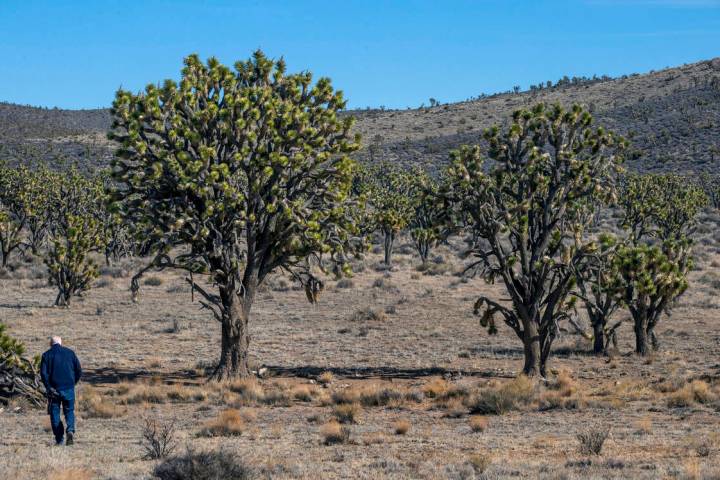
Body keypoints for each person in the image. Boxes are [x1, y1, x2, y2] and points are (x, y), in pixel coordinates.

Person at [40, 336, 82, 445]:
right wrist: (73, 382)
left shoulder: (46, 355)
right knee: (69, 411)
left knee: (55, 414)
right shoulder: (70, 353)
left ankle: (59, 439)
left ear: (51, 344)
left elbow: (43, 374)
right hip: (68, 388)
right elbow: (78, 370)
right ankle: (70, 430)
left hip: (54, 390)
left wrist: (49, 387)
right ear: (61, 343)